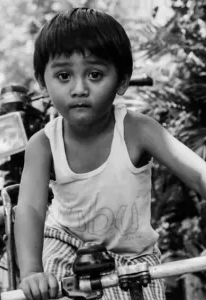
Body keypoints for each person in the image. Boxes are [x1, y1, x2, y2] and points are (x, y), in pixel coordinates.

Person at [14, 7, 206, 300]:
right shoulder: (43, 144)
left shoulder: (138, 130)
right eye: (64, 75)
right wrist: (30, 272)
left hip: (133, 256)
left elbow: (198, 174)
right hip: (67, 243)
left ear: (122, 81)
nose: (79, 89)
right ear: (43, 81)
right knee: (52, 283)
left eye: (94, 74)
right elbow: (30, 209)